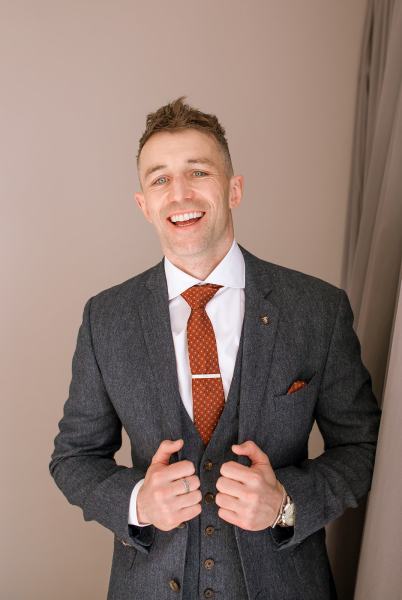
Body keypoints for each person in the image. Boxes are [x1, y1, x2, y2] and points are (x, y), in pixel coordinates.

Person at [49, 97, 381, 600]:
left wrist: (286, 503)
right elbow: (73, 457)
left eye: (198, 171)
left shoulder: (318, 309)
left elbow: (364, 447)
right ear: (143, 204)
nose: (179, 192)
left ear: (233, 188)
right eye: (159, 179)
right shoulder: (106, 318)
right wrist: (137, 500)